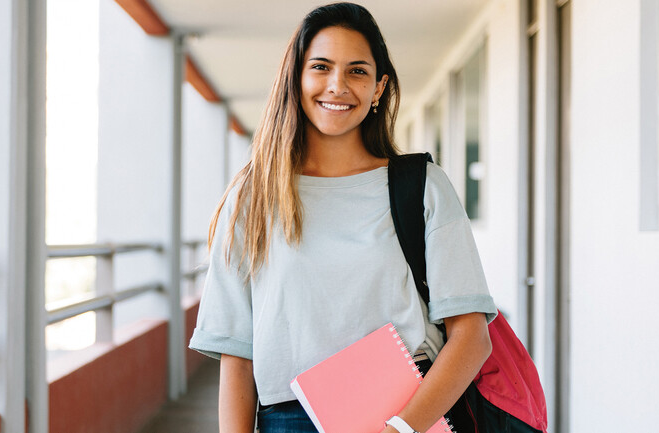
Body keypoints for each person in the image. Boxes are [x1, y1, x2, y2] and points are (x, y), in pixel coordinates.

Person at [188, 3, 498, 432]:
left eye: (356, 71)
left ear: (378, 86)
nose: (337, 85)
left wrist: (401, 428)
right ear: (295, 79)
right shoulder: (252, 198)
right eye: (320, 67)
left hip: (410, 412)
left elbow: (471, 336)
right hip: (288, 419)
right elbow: (238, 357)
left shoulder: (422, 186)